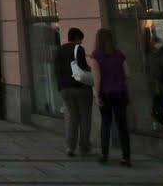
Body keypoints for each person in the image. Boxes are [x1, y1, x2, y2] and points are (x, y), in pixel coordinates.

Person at [90, 28, 131, 166]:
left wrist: (96, 94)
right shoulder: (119, 54)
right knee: (122, 125)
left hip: (105, 93)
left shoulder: (96, 55)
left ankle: (104, 154)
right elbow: (128, 74)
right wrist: (122, 84)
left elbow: (97, 77)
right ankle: (126, 157)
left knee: (106, 123)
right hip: (120, 92)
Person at [55, 27, 93, 157]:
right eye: (80, 40)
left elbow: (57, 69)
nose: (81, 42)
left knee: (72, 118)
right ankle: (84, 147)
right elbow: (82, 68)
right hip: (80, 88)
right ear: (77, 38)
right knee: (85, 118)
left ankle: (70, 147)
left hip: (65, 88)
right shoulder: (78, 49)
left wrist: (60, 86)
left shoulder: (59, 49)